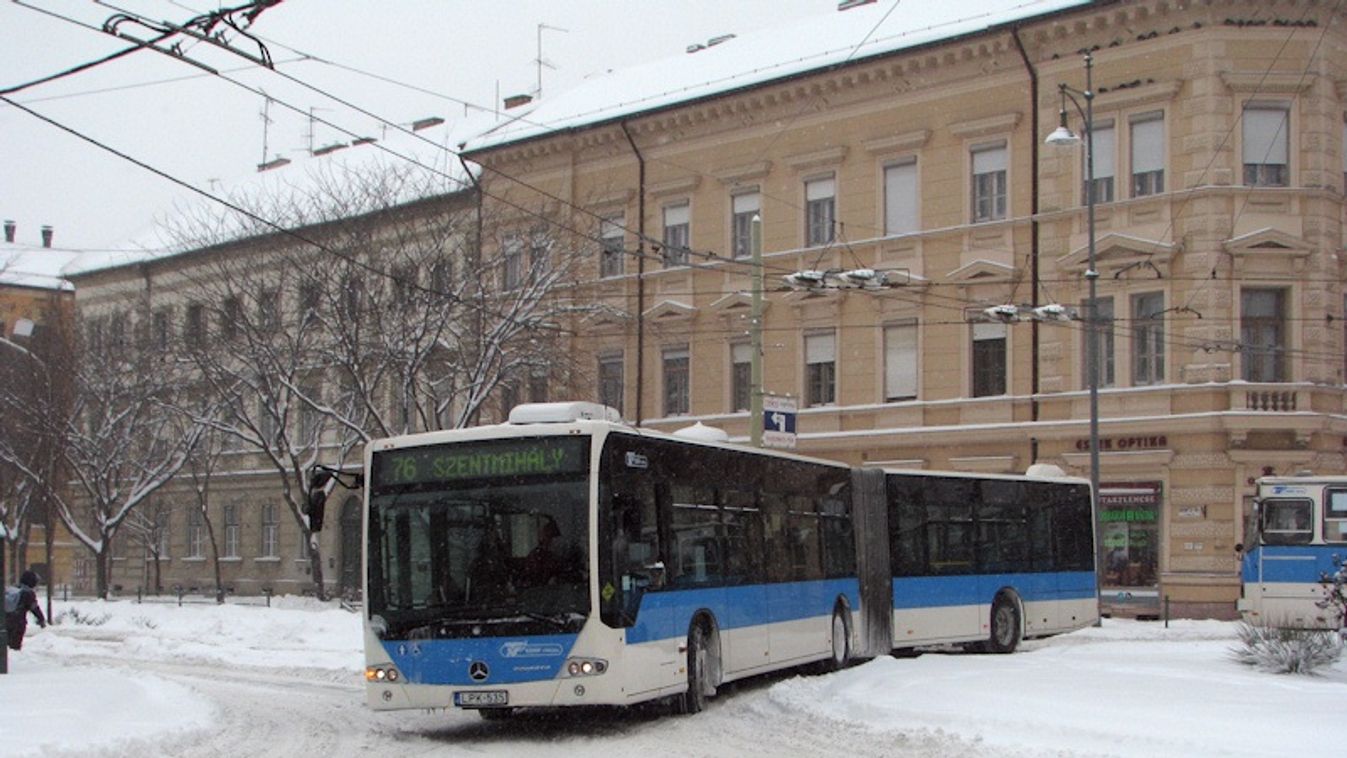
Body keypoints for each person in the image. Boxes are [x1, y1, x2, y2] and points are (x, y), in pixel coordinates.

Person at [6, 570, 47, 652]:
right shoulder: (28, 593)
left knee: (6, 643)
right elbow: (34, 608)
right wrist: (41, 620)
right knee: (15, 646)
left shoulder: (13, 590)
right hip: (18, 623)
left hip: (5, 621)